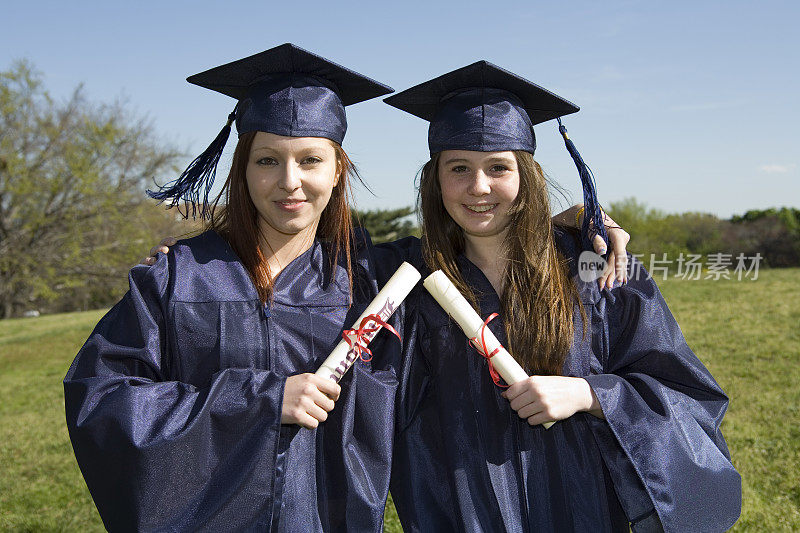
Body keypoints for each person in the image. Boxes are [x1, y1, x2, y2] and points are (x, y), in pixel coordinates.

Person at [383, 61, 741, 532]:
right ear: (435, 179)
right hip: (460, 511)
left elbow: (686, 393)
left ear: (526, 175)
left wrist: (590, 393)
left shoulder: (593, 267)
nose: (479, 187)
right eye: (458, 168)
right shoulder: (405, 279)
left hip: (580, 507)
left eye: (498, 167)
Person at [64, 44, 404, 532]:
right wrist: (259, 401)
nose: (290, 182)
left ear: (337, 171)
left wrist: (558, 228)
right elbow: (103, 402)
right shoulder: (178, 279)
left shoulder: (375, 281)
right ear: (243, 170)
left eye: (310, 160)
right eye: (267, 160)